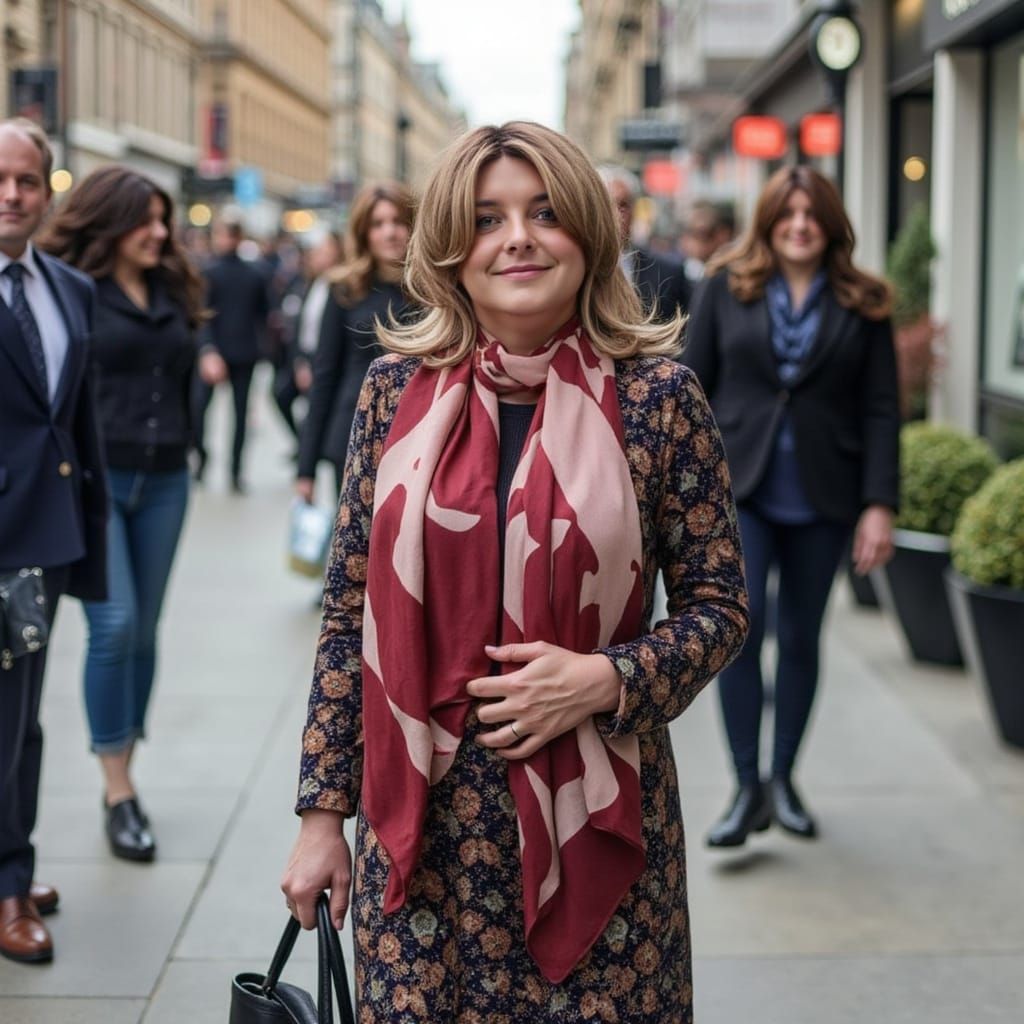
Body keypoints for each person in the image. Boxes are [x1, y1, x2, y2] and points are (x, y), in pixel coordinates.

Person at [281, 122, 749, 1021]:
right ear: (451, 249)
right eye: (487, 219)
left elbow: (720, 606)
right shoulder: (393, 393)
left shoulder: (658, 400)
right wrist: (320, 818)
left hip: (597, 832)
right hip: (422, 837)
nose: (518, 239)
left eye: (545, 213)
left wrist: (606, 679)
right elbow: (348, 614)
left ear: (588, 234)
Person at [684, 165, 899, 849]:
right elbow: (691, 387)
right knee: (737, 635)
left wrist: (879, 504)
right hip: (738, 492)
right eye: (787, 213)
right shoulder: (725, 286)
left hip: (825, 496)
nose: (800, 226)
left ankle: (784, 779)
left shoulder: (864, 301)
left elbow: (882, 408)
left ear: (830, 225)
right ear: (769, 221)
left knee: (803, 638)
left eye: (812, 215)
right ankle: (746, 787)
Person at [37, 166, 215, 863]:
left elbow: (184, 374)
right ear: (109, 222)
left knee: (144, 632)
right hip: (98, 480)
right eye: (145, 220)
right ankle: (118, 790)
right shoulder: (70, 289)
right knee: (113, 626)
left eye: (163, 219)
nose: (160, 232)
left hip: (167, 478)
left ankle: (126, 765)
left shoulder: (172, 287)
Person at [0, 118, 108, 963]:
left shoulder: (69, 287)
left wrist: (90, 537)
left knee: (23, 718)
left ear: (48, 190)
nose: (11, 195)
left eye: (26, 180)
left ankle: (14, 864)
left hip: (44, 538)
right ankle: (8, 884)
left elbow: (76, 422)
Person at [295, 184, 412, 502]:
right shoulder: (344, 289)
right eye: (377, 224)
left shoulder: (433, 289)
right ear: (364, 233)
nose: (389, 232)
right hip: (353, 438)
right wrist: (306, 469)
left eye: (398, 221)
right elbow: (324, 376)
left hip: (416, 437)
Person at [191, 218, 269, 492]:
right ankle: (222, 466)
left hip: (233, 352)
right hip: (234, 351)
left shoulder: (216, 273)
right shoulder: (240, 273)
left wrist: (207, 348)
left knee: (221, 412)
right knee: (209, 411)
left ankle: (227, 467)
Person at [273, 231, 343, 456]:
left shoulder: (340, 287)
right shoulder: (310, 284)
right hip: (306, 356)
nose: (318, 256)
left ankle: (310, 449)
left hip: (324, 360)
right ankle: (304, 446)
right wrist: (299, 362)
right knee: (282, 394)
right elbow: (300, 327)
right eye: (316, 252)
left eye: (324, 251)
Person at [598, 164, 692, 321]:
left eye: (623, 205)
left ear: (634, 210)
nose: (615, 215)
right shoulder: (576, 270)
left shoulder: (668, 273)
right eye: (607, 205)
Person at [681, 198, 736, 281]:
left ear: (722, 235)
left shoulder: (732, 274)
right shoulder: (681, 272)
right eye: (693, 233)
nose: (698, 244)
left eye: (704, 235)